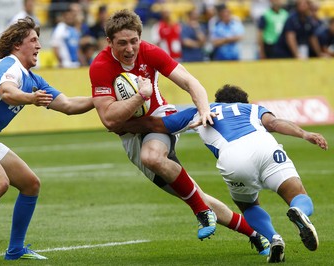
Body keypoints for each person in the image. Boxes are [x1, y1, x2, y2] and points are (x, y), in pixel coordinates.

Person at [89, 10, 271, 255]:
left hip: (161, 118)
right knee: (195, 193)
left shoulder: (150, 52)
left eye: (134, 41)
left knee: (152, 157)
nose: (130, 48)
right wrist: (139, 97)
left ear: (140, 37)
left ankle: (201, 212)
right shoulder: (100, 66)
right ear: (109, 42)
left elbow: (189, 81)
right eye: (122, 43)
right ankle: (254, 234)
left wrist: (204, 109)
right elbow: (109, 120)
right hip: (130, 135)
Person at [120, 84, 328, 263]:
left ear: (217, 101)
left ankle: (273, 238)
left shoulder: (203, 110)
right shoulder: (253, 108)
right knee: (297, 194)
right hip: (265, 147)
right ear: (244, 100)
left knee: (248, 206)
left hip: (234, 159)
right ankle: (299, 211)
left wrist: (120, 124)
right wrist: (304, 133)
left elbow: (157, 124)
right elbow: (274, 123)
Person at [0, 16, 94, 263]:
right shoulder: (8, 66)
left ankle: (15, 249)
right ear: (17, 45)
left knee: (30, 184)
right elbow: (7, 92)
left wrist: (102, 98)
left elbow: (68, 105)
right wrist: (31, 98)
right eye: (33, 40)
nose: (39, 46)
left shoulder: (33, 79)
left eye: (38, 40)